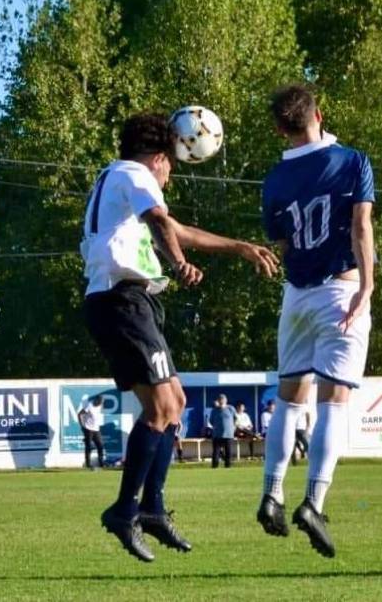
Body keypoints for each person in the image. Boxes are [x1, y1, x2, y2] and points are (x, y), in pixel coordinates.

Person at [81, 113, 279, 562]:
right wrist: (178, 263)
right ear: (156, 158)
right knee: (161, 408)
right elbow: (162, 222)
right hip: (121, 300)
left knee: (177, 403)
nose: (170, 173)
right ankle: (125, 509)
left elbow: (174, 228)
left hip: (127, 301)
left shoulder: (116, 180)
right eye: (170, 163)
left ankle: (150, 508)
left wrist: (240, 247)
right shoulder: (134, 173)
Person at [256, 85, 375, 559]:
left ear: (279, 129)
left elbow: (282, 243)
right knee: (334, 402)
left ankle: (271, 493)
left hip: (296, 296)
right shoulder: (352, 161)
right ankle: (314, 503)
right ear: (318, 115)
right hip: (340, 289)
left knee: (289, 398)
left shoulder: (274, 180)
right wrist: (366, 285)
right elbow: (361, 225)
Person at [209, 393, 237, 468]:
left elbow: (235, 418)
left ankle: (228, 466)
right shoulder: (214, 410)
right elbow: (211, 421)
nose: (221, 401)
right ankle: (214, 467)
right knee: (216, 452)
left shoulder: (231, 408)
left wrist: (233, 427)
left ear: (226, 400)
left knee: (228, 452)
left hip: (228, 434)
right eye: (220, 399)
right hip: (217, 435)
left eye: (223, 399)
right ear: (218, 401)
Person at [78, 395, 105, 470]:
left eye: (101, 402)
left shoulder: (100, 406)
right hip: (88, 429)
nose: (100, 404)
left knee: (100, 445)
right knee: (88, 447)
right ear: (96, 400)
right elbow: (79, 414)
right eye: (99, 402)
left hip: (96, 429)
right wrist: (82, 426)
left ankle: (101, 463)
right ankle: (88, 464)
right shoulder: (89, 406)